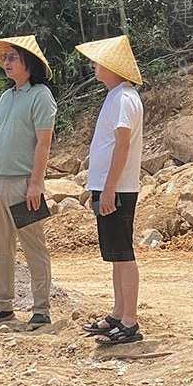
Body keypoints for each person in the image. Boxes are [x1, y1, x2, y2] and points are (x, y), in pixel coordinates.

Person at [0, 35, 57, 329]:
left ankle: (41, 309)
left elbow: (43, 144)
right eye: (5, 57)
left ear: (28, 62)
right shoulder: (6, 97)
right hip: (0, 182)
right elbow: (2, 139)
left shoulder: (41, 95)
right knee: (1, 246)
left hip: (25, 183)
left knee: (34, 246)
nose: (6, 62)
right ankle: (3, 306)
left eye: (12, 57)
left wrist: (36, 184)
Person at [75, 35, 145, 344]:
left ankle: (129, 321)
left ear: (112, 66)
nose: (94, 66)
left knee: (123, 253)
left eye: (99, 61)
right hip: (111, 186)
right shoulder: (117, 96)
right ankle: (118, 313)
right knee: (116, 253)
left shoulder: (124, 98)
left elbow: (122, 143)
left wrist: (109, 188)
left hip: (116, 188)